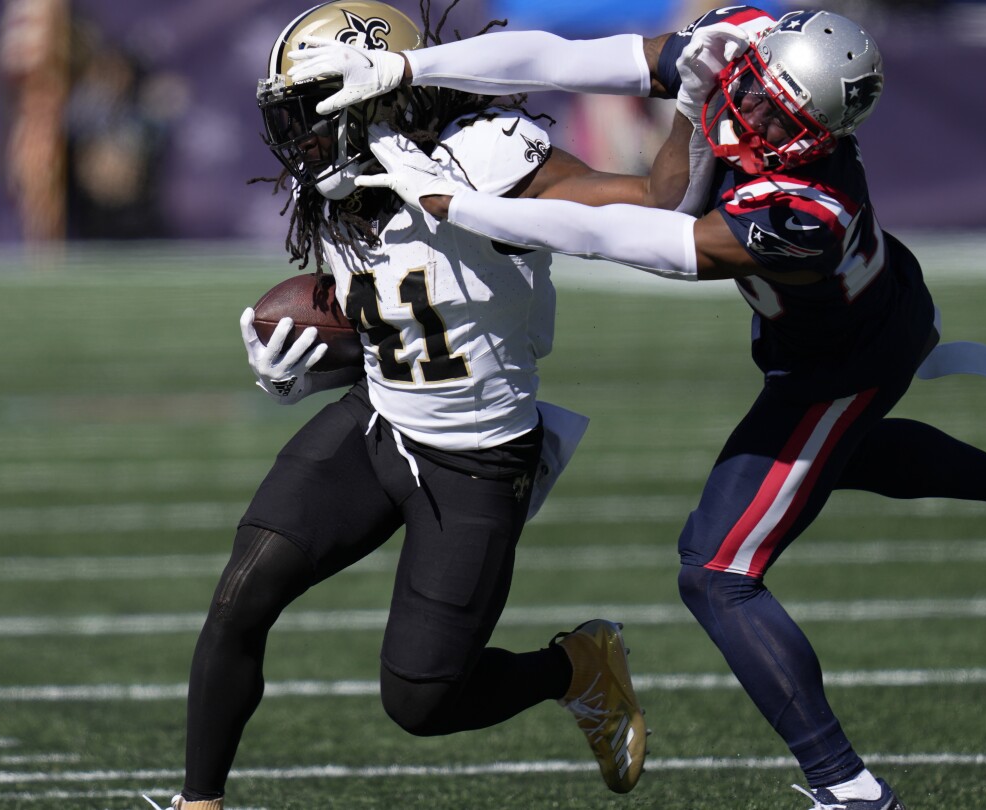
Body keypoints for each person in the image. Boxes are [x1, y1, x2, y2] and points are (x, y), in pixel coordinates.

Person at [299, 5, 986, 808]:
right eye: (753, 89)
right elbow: (572, 59)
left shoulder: (805, 212)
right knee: (840, 457)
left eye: (773, 111)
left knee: (719, 570)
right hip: (851, 319)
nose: (749, 109)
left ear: (817, 134)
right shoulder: (750, 40)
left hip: (845, 362)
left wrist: (453, 207)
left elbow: (639, 239)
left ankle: (849, 787)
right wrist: (409, 66)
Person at [145, 3, 651, 808]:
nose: (299, 134)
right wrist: (298, 368)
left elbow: (641, 207)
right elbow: (389, 319)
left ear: (375, 96)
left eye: (314, 109)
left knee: (422, 699)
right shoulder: (342, 183)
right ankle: (198, 804)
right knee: (241, 597)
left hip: (476, 458)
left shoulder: (482, 156)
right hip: (378, 418)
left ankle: (576, 667)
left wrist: (693, 106)